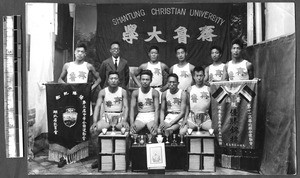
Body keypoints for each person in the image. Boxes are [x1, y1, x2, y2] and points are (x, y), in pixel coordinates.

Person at [90, 71, 129, 169]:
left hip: (119, 116)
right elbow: (98, 107)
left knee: (128, 130)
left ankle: (127, 158)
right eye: (111, 78)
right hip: (106, 117)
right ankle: (98, 158)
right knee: (94, 131)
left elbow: (126, 107)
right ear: (108, 80)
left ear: (119, 80)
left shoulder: (122, 91)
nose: (113, 80)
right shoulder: (103, 92)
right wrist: (95, 122)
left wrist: (124, 120)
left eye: (116, 78)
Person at [180, 66, 212, 134]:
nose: (199, 78)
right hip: (192, 118)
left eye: (201, 75)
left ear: (204, 76)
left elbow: (212, 106)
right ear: (193, 77)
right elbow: (187, 106)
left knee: (214, 130)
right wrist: (185, 119)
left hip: (205, 119)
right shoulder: (190, 89)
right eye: (197, 76)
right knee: (182, 132)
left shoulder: (208, 89)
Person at [130, 70, 159, 135]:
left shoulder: (154, 92)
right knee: (131, 132)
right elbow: (132, 108)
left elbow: (157, 109)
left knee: (155, 132)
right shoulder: (135, 92)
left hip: (151, 115)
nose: (145, 82)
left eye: (147, 79)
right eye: (143, 79)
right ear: (140, 80)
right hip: (141, 115)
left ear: (151, 80)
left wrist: (156, 123)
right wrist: (132, 123)